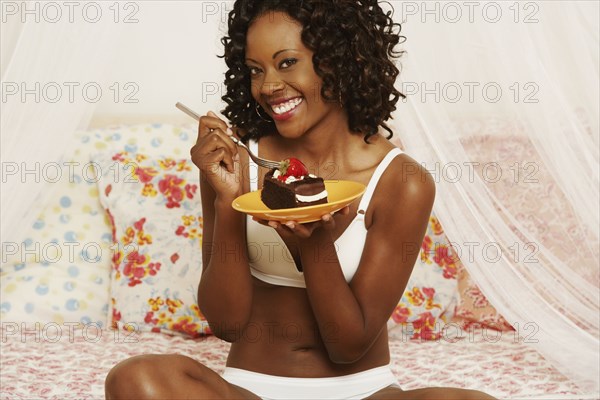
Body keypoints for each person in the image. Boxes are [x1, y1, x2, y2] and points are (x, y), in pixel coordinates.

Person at [105, 0, 497, 399]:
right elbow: (227, 324)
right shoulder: (236, 159)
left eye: (287, 62)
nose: (268, 86)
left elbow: (348, 346)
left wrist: (314, 244)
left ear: (339, 59)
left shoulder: (402, 181)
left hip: (362, 391)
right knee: (136, 378)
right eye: (256, 70)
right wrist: (228, 203)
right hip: (250, 390)